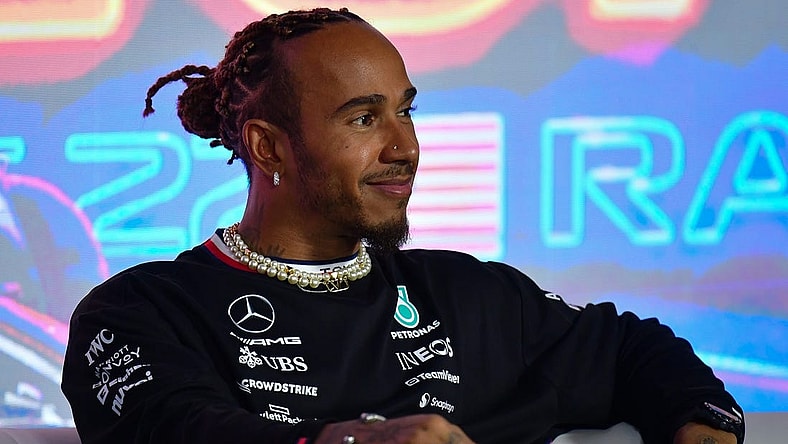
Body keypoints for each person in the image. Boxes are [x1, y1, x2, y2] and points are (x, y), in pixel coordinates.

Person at [61, 7, 745, 444]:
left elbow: (632, 352)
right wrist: (353, 440)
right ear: (270, 147)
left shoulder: (471, 296)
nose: (405, 147)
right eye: (364, 118)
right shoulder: (140, 311)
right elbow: (177, 431)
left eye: (405, 112)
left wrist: (702, 426)